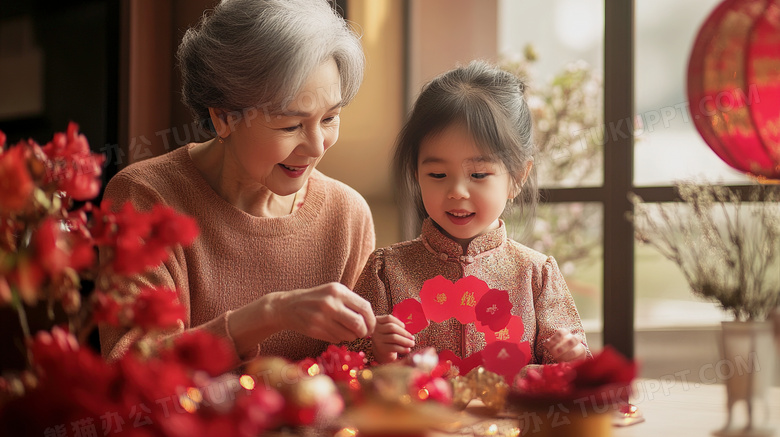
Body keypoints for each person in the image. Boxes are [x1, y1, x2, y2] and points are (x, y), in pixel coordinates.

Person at [99, 0, 377, 368]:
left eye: (330, 118)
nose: (316, 146)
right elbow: (130, 372)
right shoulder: (144, 198)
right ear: (223, 117)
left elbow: (363, 366)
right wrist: (269, 314)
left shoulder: (347, 216)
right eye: (290, 125)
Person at [354, 61, 589, 364]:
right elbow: (344, 364)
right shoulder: (385, 271)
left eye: (478, 175)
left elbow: (576, 371)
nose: (457, 192)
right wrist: (375, 350)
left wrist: (571, 355)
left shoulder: (536, 274)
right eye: (438, 175)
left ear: (518, 177)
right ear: (416, 174)